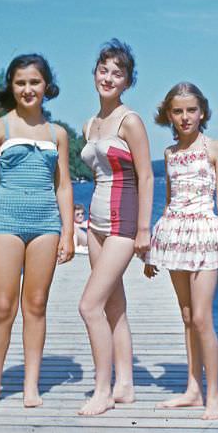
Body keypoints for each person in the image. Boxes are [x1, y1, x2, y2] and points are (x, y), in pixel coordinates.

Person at [0, 54, 75, 409]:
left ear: (46, 86)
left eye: (34, 82)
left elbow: (63, 187)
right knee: (2, 306)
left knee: (36, 304)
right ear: (11, 87)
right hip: (5, 224)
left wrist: (68, 233)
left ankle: (31, 385)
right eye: (20, 82)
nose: (27, 89)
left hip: (46, 224)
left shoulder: (57, 133)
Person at [144, 82, 218, 420]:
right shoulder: (170, 154)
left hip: (204, 233)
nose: (185, 117)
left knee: (202, 318)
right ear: (168, 115)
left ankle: (213, 394)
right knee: (187, 317)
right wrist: (153, 251)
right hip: (174, 233)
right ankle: (192, 389)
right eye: (178, 111)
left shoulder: (215, 148)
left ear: (202, 112)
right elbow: (169, 201)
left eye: (191, 110)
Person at [78, 39, 154, 415]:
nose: (108, 77)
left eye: (117, 73)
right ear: (95, 73)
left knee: (88, 305)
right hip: (95, 223)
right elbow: (99, 175)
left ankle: (102, 390)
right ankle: (125, 385)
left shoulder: (130, 121)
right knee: (112, 307)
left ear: (127, 81)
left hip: (124, 224)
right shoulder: (89, 124)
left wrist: (144, 230)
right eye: (104, 70)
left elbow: (147, 176)